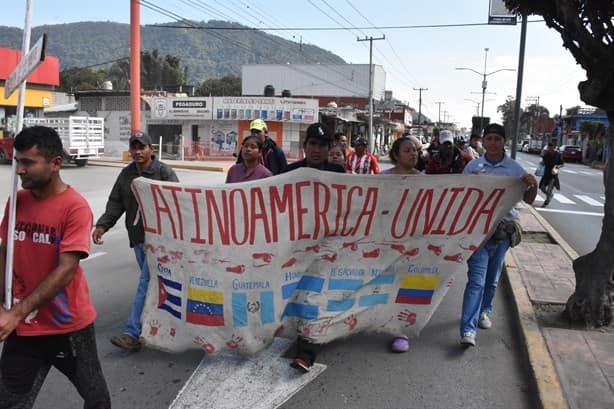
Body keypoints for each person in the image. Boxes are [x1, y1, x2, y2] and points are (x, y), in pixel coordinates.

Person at [0, 126, 111, 408]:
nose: (20, 171)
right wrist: (3, 306)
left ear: (56, 163)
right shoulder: (18, 201)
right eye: (17, 162)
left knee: (96, 399)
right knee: (10, 401)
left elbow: (66, 271)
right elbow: (4, 252)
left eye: (28, 162)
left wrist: (15, 313)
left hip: (67, 327)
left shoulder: (75, 208)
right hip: (23, 328)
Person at [93, 131, 179, 352]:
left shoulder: (164, 173)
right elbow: (116, 202)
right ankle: (165, 324)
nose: (138, 152)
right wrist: (103, 225)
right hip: (138, 239)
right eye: (134, 148)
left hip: (161, 242)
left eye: (142, 147)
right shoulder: (126, 175)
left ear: (151, 149)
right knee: (154, 285)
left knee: (146, 283)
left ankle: (132, 332)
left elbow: (180, 203)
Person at [460, 123, 538, 347]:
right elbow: (461, 199)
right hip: (478, 233)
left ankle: (484, 310)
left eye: (497, 139)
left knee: (492, 279)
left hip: (502, 233)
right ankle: (468, 329)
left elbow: (529, 200)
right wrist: (470, 183)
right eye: (489, 138)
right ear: (482, 142)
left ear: (504, 142)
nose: (493, 143)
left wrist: (533, 185)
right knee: (476, 280)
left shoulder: (515, 169)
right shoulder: (472, 167)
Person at [283, 123, 345, 372]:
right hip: (296, 245)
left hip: (326, 245)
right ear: (305, 146)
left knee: (315, 295)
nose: (316, 150)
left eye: (322, 145)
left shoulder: (338, 172)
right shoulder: (290, 172)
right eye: (312, 144)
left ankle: (306, 351)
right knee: (296, 293)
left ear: (329, 148)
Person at [380, 136, 423, 353]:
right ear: (396, 155)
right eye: (407, 150)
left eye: (415, 150)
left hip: (413, 243)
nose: (413, 153)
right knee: (388, 284)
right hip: (388, 241)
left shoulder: (426, 181)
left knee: (408, 286)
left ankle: (401, 331)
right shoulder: (382, 179)